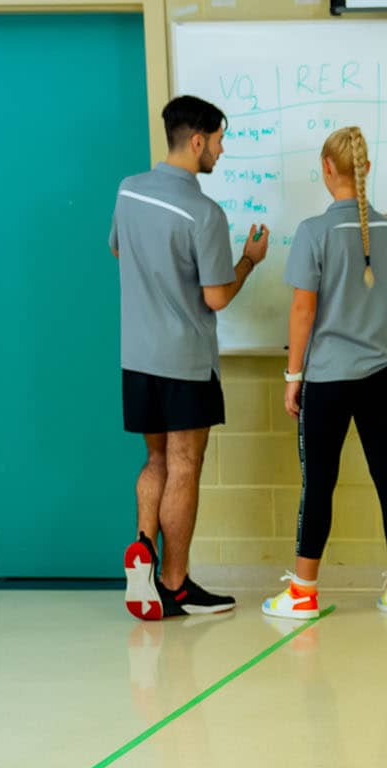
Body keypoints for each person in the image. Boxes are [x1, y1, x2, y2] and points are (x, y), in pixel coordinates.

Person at [113, 94, 270, 620]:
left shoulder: (128, 190)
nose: (222, 151)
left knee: (155, 459)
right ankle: (175, 585)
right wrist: (248, 260)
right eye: (220, 140)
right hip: (184, 362)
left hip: (136, 357)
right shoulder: (203, 212)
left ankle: (143, 545)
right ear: (198, 139)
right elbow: (216, 297)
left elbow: (117, 248)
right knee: (185, 465)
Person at [263, 126, 387, 621]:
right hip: (385, 375)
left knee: (320, 484)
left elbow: (302, 312)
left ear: (328, 169)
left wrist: (293, 377)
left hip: (328, 380)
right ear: (365, 169)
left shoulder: (313, 232)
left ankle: (303, 593)